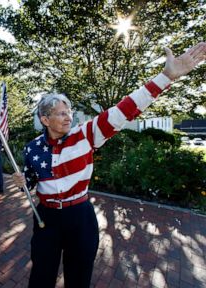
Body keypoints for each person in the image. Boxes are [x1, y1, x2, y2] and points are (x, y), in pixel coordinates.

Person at [12, 43, 206, 288]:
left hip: (80, 216)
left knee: (79, 277)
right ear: (45, 119)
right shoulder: (32, 148)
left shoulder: (86, 135)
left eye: (69, 111)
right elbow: (29, 182)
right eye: (61, 113)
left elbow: (122, 111)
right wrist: (22, 183)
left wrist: (165, 77)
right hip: (46, 218)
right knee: (41, 275)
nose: (68, 116)